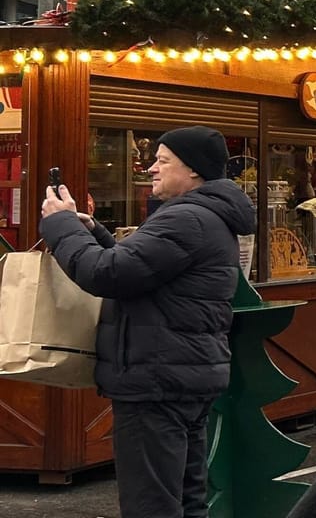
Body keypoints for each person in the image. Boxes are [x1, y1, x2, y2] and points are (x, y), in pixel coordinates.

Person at [40, 126, 254, 518]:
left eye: (162, 160)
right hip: (179, 376)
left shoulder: (187, 219)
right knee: (185, 501)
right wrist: (92, 231)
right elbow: (143, 272)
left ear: (193, 171)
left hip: (157, 381)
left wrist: (60, 226)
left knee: (151, 505)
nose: (151, 168)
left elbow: (108, 274)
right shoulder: (202, 217)